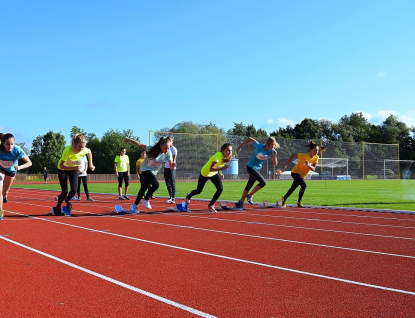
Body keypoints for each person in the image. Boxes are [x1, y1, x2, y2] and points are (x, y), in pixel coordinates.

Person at [125, 136, 176, 213]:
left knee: (143, 188)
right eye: (165, 148)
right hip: (145, 169)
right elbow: (139, 144)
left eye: (168, 148)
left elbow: (171, 164)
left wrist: (172, 166)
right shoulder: (152, 149)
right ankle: (145, 199)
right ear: (160, 146)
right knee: (156, 185)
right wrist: (129, 140)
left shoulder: (168, 153)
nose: (167, 150)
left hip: (154, 171)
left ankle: (135, 205)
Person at [54, 134, 95, 215]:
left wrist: (91, 164)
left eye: (83, 147)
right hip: (63, 169)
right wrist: (74, 168)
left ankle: (68, 200)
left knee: (74, 190)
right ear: (74, 144)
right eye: (79, 146)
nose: (81, 149)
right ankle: (58, 206)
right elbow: (62, 165)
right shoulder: (68, 150)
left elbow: (89, 152)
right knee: (64, 191)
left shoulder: (84, 150)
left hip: (73, 168)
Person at [185, 143, 232, 213]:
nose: (230, 152)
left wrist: (220, 173)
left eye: (231, 150)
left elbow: (218, 165)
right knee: (198, 191)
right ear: (223, 150)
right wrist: (223, 168)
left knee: (220, 189)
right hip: (205, 172)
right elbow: (211, 168)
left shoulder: (228, 157)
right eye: (228, 150)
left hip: (214, 173)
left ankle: (211, 204)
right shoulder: (218, 156)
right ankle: (188, 196)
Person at [235, 137, 279, 209]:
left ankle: (241, 202)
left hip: (257, 169)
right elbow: (249, 139)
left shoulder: (271, 151)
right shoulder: (259, 146)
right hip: (250, 167)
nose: (273, 147)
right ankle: (250, 196)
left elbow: (275, 164)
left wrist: (274, 155)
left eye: (274, 145)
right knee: (263, 182)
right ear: (267, 143)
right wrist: (239, 147)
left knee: (249, 185)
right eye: (271, 145)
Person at [280, 141, 325, 208]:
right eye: (315, 150)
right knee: (304, 185)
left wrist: (309, 165)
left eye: (317, 150)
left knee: (293, 188)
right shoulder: (304, 156)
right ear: (310, 150)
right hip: (295, 172)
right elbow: (293, 156)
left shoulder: (316, 157)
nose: (316, 152)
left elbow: (313, 169)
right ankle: (299, 201)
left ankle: (284, 198)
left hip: (302, 175)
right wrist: (285, 164)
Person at [0, 133, 32, 220]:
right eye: (7, 144)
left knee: (4, 193)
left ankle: (5, 196)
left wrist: (20, 167)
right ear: (3, 143)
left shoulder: (17, 149)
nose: (10, 147)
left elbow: (29, 162)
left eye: (12, 144)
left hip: (11, 171)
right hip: (1, 169)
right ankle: (0, 211)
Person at [164, 136, 177, 204]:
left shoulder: (173, 149)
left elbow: (174, 158)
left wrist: (173, 164)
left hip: (171, 168)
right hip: (166, 167)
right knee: (167, 183)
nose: (169, 142)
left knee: (172, 183)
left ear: (172, 141)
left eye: (170, 141)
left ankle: (173, 198)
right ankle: (170, 197)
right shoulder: (166, 149)